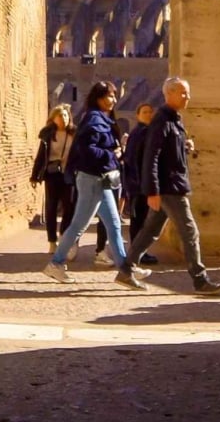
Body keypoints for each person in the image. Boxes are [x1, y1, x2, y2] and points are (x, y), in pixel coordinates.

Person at [121, 76, 220, 294]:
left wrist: (184, 147)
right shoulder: (162, 120)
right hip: (169, 187)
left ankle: (126, 269)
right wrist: (152, 190)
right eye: (182, 92)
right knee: (190, 231)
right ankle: (200, 279)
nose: (187, 96)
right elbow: (152, 156)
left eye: (187, 92)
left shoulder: (174, 119)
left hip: (173, 184)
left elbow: (169, 152)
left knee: (150, 230)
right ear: (169, 94)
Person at [42, 81, 147, 289]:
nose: (114, 100)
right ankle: (56, 262)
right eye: (110, 96)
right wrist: (111, 154)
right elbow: (86, 150)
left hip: (101, 178)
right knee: (79, 225)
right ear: (99, 98)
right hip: (92, 179)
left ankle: (126, 270)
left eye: (115, 96)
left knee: (115, 224)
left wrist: (115, 154)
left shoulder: (101, 118)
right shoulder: (93, 119)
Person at [28, 104, 77, 254]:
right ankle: (52, 241)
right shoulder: (48, 135)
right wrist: (35, 176)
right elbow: (40, 156)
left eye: (66, 116)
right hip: (52, 173)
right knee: (51, 208)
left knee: (69, 207)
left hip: (69, 174)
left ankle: (63, 235)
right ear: (53, 118)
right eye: (60, 116)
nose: (64, 118)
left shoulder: (74, 134)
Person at [120, 102, 160, 265]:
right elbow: (133, 160)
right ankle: (138, 254)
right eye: (144, 112)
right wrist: (138, 184)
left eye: (150, 111)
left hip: (140, 184)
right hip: (139, 185)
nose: (148, 114)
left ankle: (138, 252)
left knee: (141, 220)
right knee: (139, 220)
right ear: (138, 115)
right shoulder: (140, 133)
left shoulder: (145, 132)